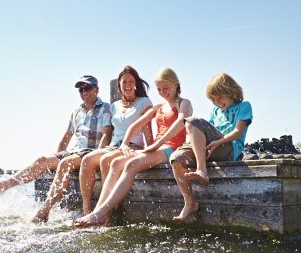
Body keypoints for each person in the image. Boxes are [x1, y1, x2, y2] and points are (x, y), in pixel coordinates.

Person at [0, 75, 112, 221]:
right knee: (42, 160)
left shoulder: (105, 108)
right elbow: (66, 138)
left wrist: (97, 157)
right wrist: (55, 158)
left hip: (91, 152)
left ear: (97, 90)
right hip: (74, 152)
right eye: (81, 89)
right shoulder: (77, 112)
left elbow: (107, 134)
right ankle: (1, 186)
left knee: (65, 164)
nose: (84, 92)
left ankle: (44, 211)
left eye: (88, 88)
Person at [74, 67, 193, 227]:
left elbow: (180, 123)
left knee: (131, 164)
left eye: (166, 88)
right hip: (158, 148)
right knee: (116, 163)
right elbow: (135, 125)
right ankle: (99, 213)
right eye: (159, 89)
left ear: (176, 84)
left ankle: (100, 214)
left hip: (172, 148)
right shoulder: (157, 107)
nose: (163, 92)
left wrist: (156, 144)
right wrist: (124, 143)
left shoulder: (184, 103)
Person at [169, 72, 253, 221]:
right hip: (213, 147)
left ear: (231, 92)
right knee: (176, 158)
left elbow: (238, 132)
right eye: (213, 99)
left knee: (192, 120)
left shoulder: (244, 106)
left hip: (230, 149)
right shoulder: (215, 111)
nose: (216, 101)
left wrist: (218, 142)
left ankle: (202, 170)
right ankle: (189, 203)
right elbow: (203, 132)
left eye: (220, 96)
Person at [78, 66, 153, 215]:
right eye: (124, 82)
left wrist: (150, 151)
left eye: (131, 81)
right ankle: (87, 208)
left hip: (133, 147)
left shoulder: (144, 102)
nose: (128, 85)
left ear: (136, 83)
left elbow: (147, 130)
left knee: (107, 160)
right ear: (119, 84)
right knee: (87, 160)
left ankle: (106, 212)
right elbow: (111, 131)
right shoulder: (114, 106)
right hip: (114, 146)